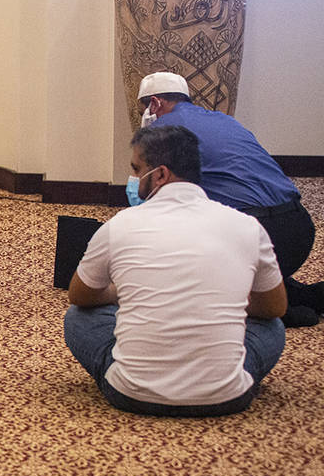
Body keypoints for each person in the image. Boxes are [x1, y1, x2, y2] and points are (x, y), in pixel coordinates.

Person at [64, 125, 286, 417]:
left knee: (78, 318)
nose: (132, 179)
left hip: (130, 393)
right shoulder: (247, 226)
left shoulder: (120, 225)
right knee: (273, 328)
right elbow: (275, 306)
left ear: (160, 174)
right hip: (228, 396)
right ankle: (220, 375)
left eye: (136, 168)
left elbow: (79, 296)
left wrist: (129, 293)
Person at [138, 70, 322, 327]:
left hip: (253, 235)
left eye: (143, 110)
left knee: (182, 266)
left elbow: (153, 195)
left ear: (154, 103)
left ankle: (275, 311)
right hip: (299, 227)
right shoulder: (224, 120)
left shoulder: (162, 131)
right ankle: (305, 295)